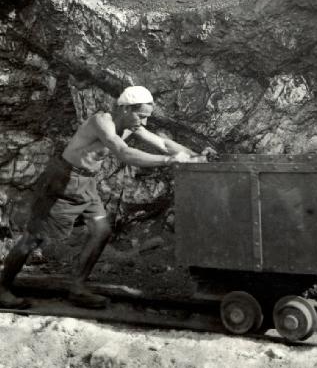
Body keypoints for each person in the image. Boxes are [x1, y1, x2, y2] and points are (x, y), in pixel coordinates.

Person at [0, 86, 203, 310]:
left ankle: (77, 288)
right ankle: (2, 288)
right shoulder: (101, 121)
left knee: (102, 231)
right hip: (64, 181)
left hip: (86, 183)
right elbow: (124, 153)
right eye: (141, 116)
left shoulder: (131, 125)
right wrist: (168, 161)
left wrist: (195, 156)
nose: (143, 123)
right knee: (34, 238)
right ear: (124, 109)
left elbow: (164, 144)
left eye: (146, 118)